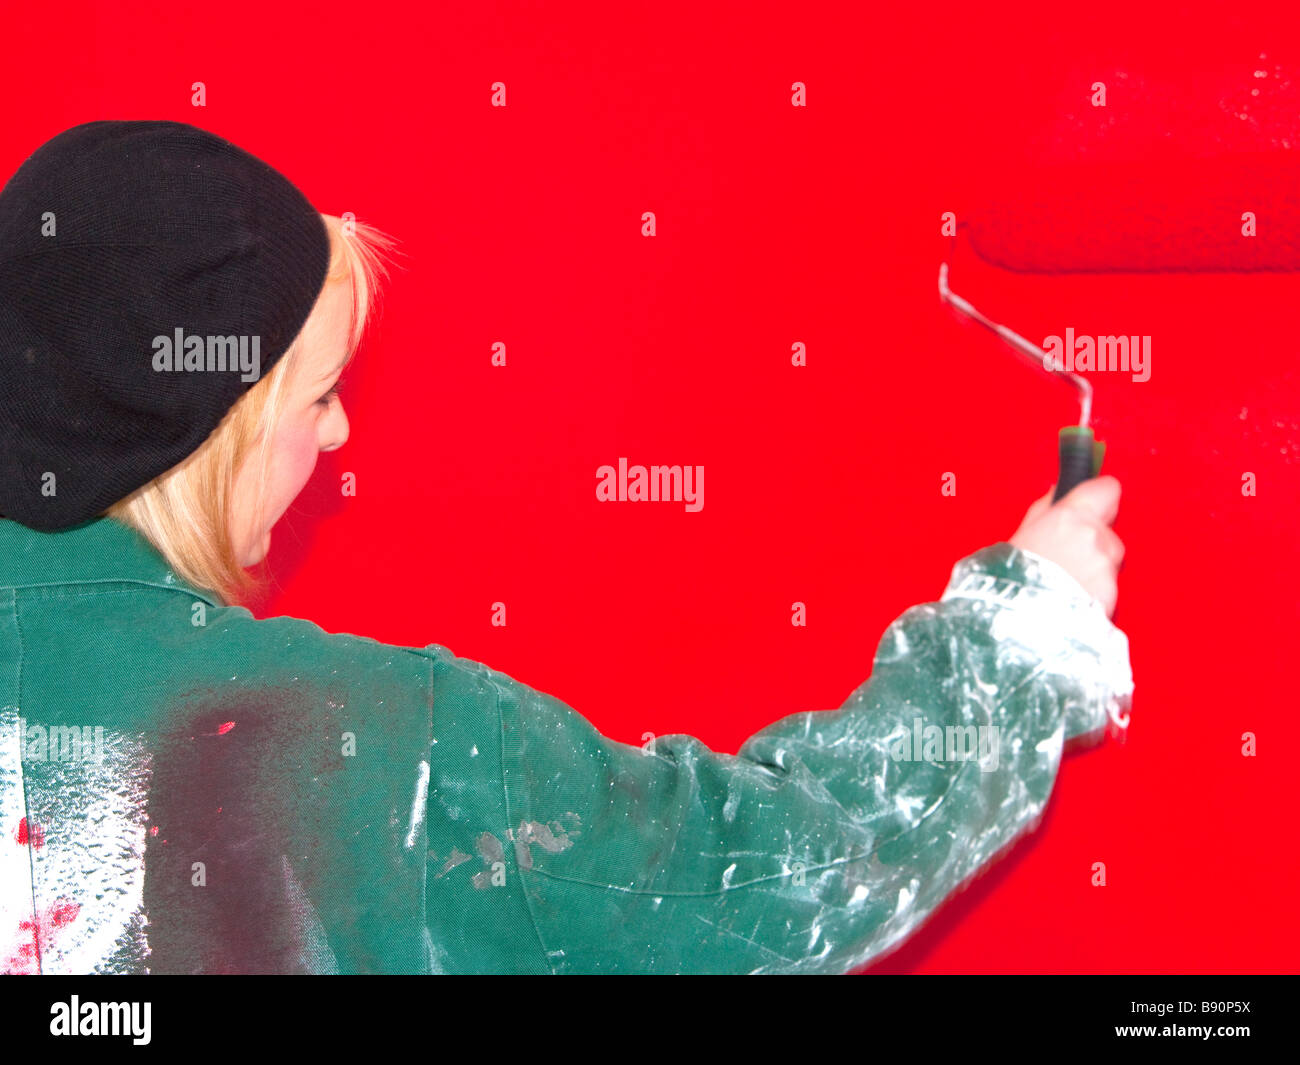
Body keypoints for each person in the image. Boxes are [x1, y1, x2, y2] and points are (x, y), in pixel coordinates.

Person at [0, 120, 1131, 975]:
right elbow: (775, 882)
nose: (340, 431)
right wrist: (1017, 646)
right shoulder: (364, 748)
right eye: (321, 394)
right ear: (216, 427)